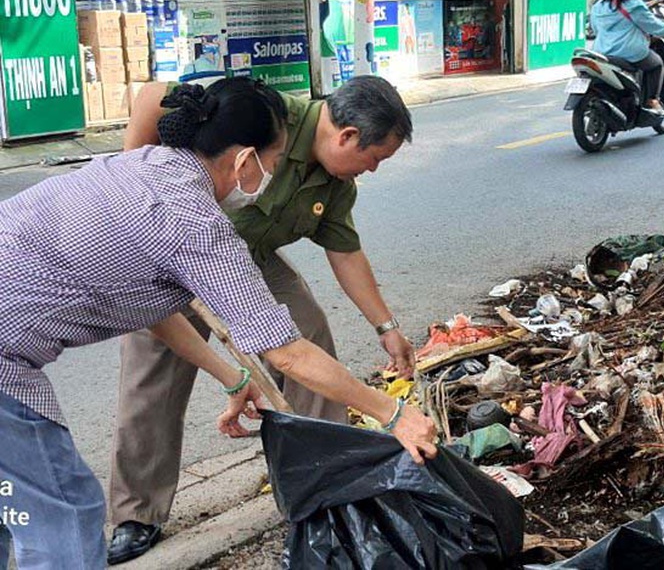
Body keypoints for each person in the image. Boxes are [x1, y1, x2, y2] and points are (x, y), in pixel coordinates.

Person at [0, 78, 438, 568]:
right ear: (246, 160)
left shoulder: (149, 167)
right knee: (64, 508)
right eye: (272, 165)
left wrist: (234, 375)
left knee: (12, 503)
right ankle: (137, 513)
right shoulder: (198, 219)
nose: (273, 174)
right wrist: (394, 415)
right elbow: (286, 352)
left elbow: (153, 307)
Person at [590, 0, 664, 115]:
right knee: (657, 64)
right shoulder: (632, 3)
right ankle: (652, 100)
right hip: (629, 54)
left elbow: (596, 29)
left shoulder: (598, 6)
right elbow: (651, 25)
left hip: (601, 53)